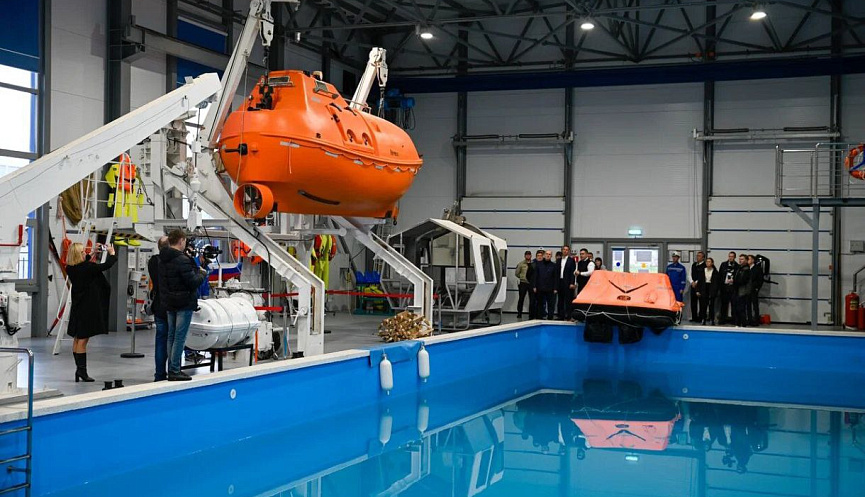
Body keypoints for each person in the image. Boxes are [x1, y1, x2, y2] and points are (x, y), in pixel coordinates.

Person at [159, 229, 208, 381]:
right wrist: (202, 274)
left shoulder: (161, 259)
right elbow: (192, 282)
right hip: (183, 303)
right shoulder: (182, 260)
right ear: (181, 241)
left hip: (169, 302)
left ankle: (171, 368)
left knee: (171, 336)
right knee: (180, 337)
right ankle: (175, 370)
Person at [66, 242, 117, 382]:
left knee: (77, 337)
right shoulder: (88, 268)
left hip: (77, 305)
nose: (85, 253)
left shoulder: (71, 268)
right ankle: (82, 371)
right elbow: (106, 265)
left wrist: (93, 253)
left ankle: (79, 369)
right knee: (83, 339)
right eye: (83, 252)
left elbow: (83, 263)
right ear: (78, 255)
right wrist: (112, 253)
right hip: (87, 306)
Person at [148, 236, 169, 381]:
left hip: (158, 305)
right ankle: (174, 370)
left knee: (160, 340)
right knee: (174, 339)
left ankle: (159, 373)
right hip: (171, 305)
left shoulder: (153, 261)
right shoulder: (172, 261)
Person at [532, 250, 557, 320]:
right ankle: (539, 317)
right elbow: (535, 276)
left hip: (550, 288)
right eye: (547, 254)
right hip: (540, 287)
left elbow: (555, 277)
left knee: (551, 304)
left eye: (549, 254)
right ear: (544, 255)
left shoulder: (554, 265)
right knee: (539, 304)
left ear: (551, 256)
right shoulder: (538, 264)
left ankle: (550, 317)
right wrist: (534, 286)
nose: (548, 255)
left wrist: (555, 288)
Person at [717, 251, 738, 324]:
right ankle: (722, 319)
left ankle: (734, 319)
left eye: (732, 256)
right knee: (723, 304)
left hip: (733, 287)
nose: (730, 258)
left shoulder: (737, 266)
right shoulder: (723, 264)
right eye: (729, 256)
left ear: (734, 257)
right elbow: (720, 275)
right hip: (724, 287)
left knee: (734, 304)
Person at [698, 257, 721, 325]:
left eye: (709, 261)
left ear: (712, 263)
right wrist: (698, 290)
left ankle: (712, 319)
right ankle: (703, 319)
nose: (708, 263)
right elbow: (700, 282)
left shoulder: (715, 272)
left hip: (711, 289)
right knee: (703, 305)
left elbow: (717, 283)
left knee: (711, 305)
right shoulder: (702, 270)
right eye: (707, 262)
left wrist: (716, 291)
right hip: (704, 288)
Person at [556, 246, 576, 320]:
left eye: (567, 250)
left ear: (569, 251)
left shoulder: (571, 260)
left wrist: (572, 283)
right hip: (560, 282)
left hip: (568, 282)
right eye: (564, 249)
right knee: (560, 300)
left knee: (568, 300)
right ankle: (561, 316)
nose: (565, 251)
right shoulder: (558, 260)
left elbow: (573, 273)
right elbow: (556, 273)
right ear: (562, 250)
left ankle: (569, 316)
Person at [733, 254, 752, 327]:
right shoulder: (739, 268)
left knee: (741, 308)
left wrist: (734, 281)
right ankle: (738, 323)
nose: (740, 260)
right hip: (737, 290)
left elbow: (743, 280)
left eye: (742, 259)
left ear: (746, 260)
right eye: (740, 259)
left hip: (743, 291)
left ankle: (743, 324)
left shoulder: (746, 270)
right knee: (737, 308)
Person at [515, 251, 532, 319]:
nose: (528, 256)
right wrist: (522, 277)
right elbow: (517, 273)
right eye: (527, 255)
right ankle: (519, 313)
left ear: (531, 256)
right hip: (523, 283)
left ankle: (531, 314)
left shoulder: (533, 264)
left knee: (532, 300)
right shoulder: (521, 264)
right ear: (524, 256)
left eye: (529, 255)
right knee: (521, 299)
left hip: (531, 284)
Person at [690, 251, 706, 323]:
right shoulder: (694, 265)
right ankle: (694, 317)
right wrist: (692, 282)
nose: (697, 257)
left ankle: (701, 317)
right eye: (697, 255)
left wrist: (696, 282)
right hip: (693, 286)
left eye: (699, 256)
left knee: (701, 303)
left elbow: (702, 276)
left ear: (703, 258)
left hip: (701, 286)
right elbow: (690, 274)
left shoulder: (705, 265)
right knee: (693, 302)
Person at [748, 255, 764, 326]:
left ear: (753, 260)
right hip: (747, 289)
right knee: (748, 305)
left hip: (753, 289)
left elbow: (760, 280)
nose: (747, 260)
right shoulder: (746, 268)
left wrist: (757, 288)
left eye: (749, 259)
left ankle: (756, 320)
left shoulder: (757, 269)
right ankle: (749, 319)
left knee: (755, 305)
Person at [528, 250, 544, 319]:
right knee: (532, 302)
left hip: (541, 287)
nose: (539, 257)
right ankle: (531, 316)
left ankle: (539, 316)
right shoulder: (532, 264)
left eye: (541, 256)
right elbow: (528, 275)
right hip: (532, 287)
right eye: (538, 256)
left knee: (540, 302)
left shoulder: (544, 264)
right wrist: (532, 284)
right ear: (536, 256)